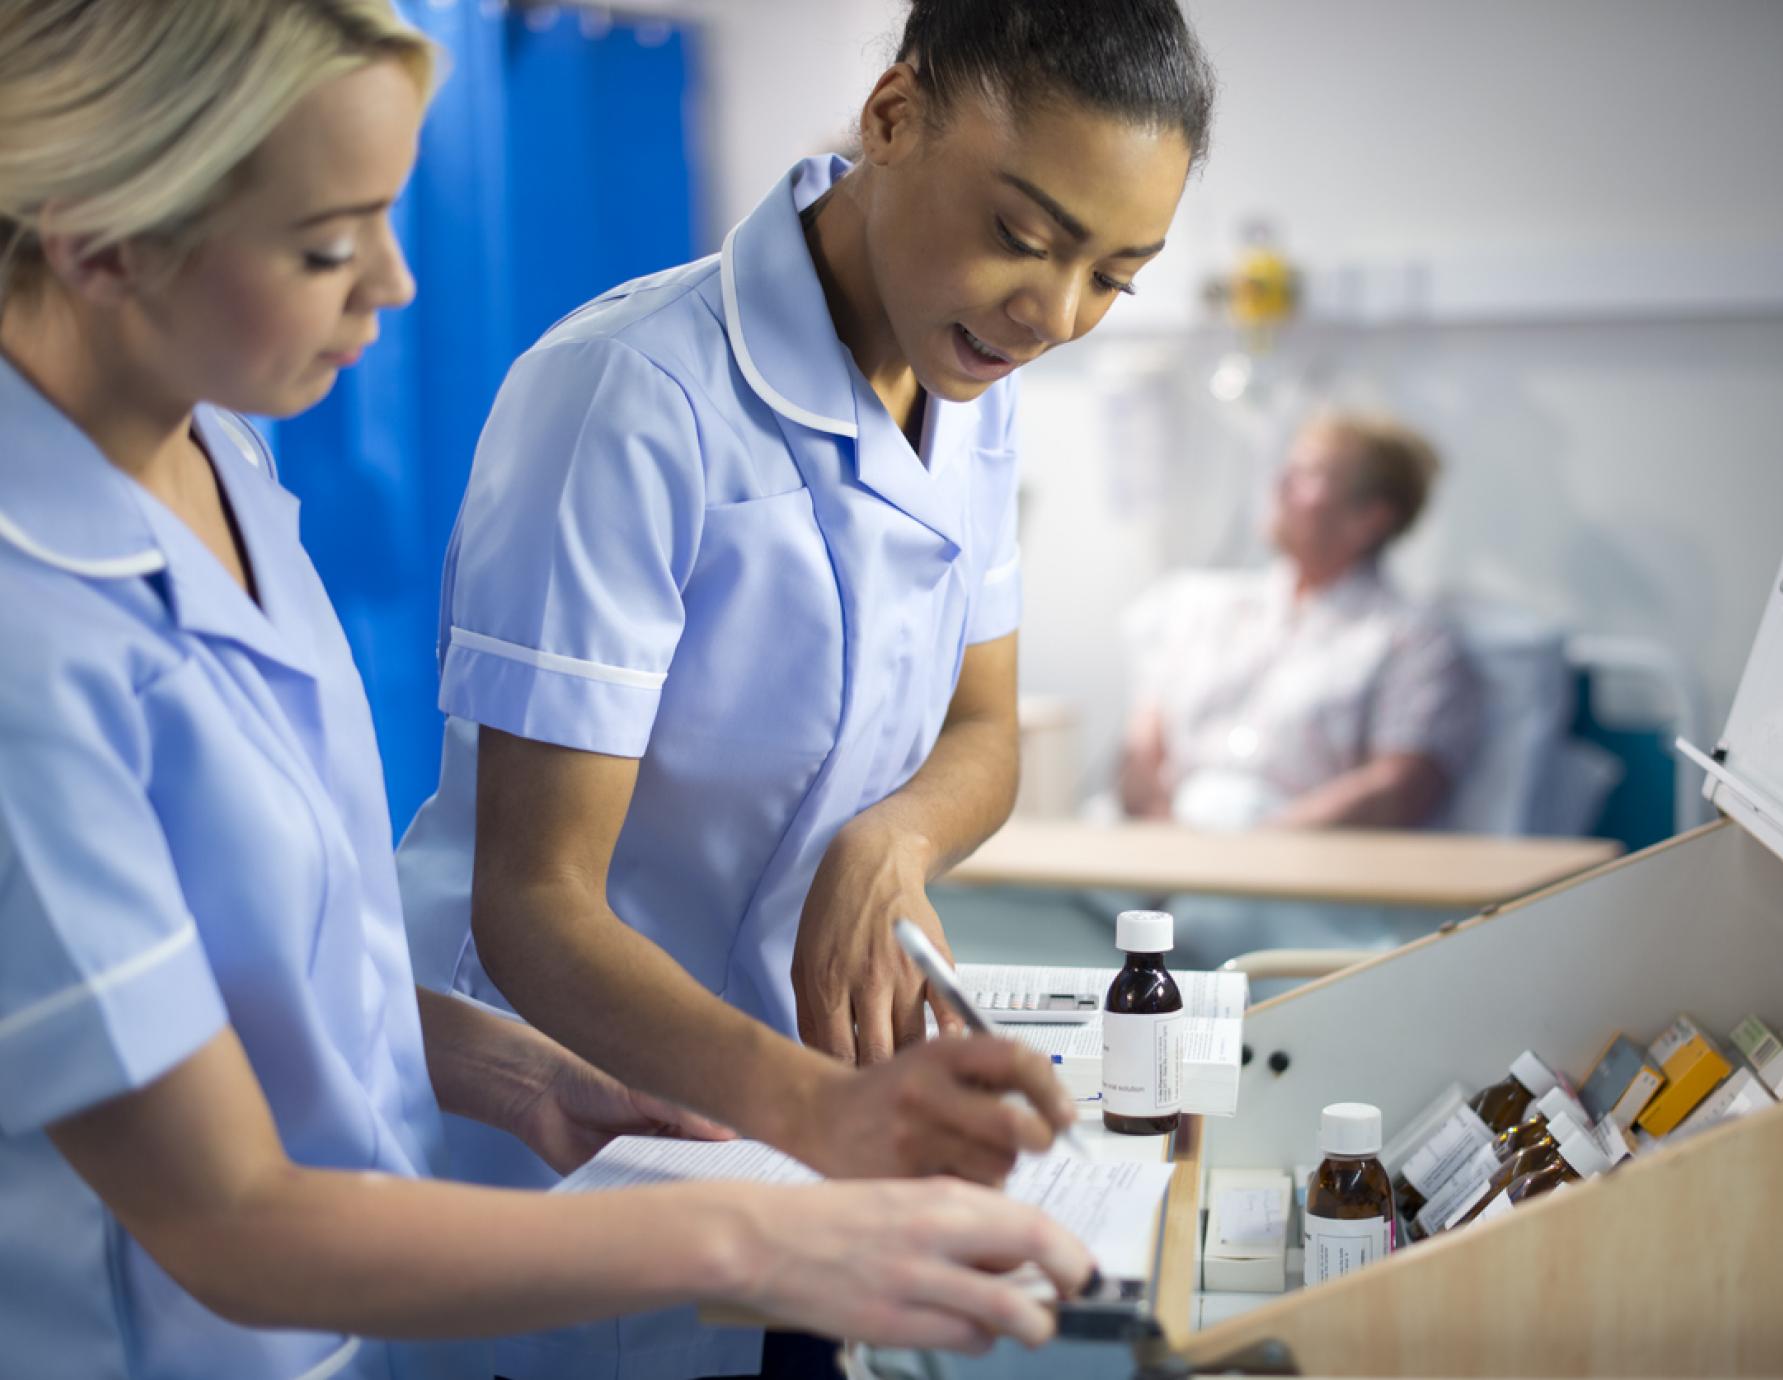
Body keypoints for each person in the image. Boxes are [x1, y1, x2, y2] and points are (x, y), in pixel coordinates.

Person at [0, 5, 1090, 1378]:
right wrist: (765, 1239)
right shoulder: (27, 642)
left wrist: (523, 1070)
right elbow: (224, 1219)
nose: (396, 284)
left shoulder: (213, 453)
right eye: (329, 243)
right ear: (99, 237)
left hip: (362, 1306)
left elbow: (272, 959)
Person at [393, 1, 1215, 1374]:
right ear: (891, 118)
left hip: (790, 1131)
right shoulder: (630, 394)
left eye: (1113, 275)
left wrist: (890, 841)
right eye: (1024, 234)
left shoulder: (975, 387)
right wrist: (818, 1114)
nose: (1054, 313)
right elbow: (534, 905)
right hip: (572, 1124)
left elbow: (984, 732)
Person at [1119, 410, 1482, 832]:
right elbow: (1141, 747)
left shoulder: (1410, 640)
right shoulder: (1205, 609)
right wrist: (1168, 843)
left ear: (1370, 518)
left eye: (1310, 474)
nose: (1280, 485)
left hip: (1295, 866)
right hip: (1163, 848)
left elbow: (1398, 787)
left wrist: (1256, 851)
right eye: (1287, 468)